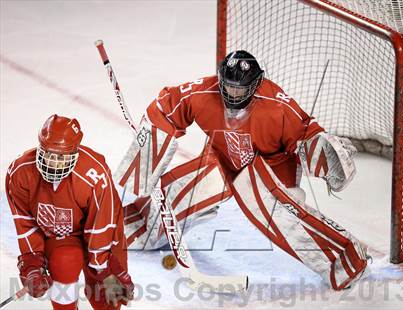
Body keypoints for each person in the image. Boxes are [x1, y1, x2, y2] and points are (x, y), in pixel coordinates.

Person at [118, 50, 369, 290]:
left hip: (272, 166)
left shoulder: (276, 105)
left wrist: (322, 151)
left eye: (240, 88)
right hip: (224, 156)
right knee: (179, 194)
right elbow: (168, 106)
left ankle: (347, 259)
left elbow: (305, 132)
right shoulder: (204, 92)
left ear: (256, 83)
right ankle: (133, 227)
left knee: (283, 219)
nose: (233, 93)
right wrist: (151, 147)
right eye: (228, 86)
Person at [5, 114, 134, 309]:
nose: (52, 162)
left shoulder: (94, 174)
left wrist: (103, 270)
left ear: (74, 152)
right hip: (60, 235)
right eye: (48, 153)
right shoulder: (20, 173)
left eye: (60, 156)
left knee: (106, 296)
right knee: (65, 260)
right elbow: (25, 223)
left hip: (102, 235)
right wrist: (33, 265)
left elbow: (103, 224)